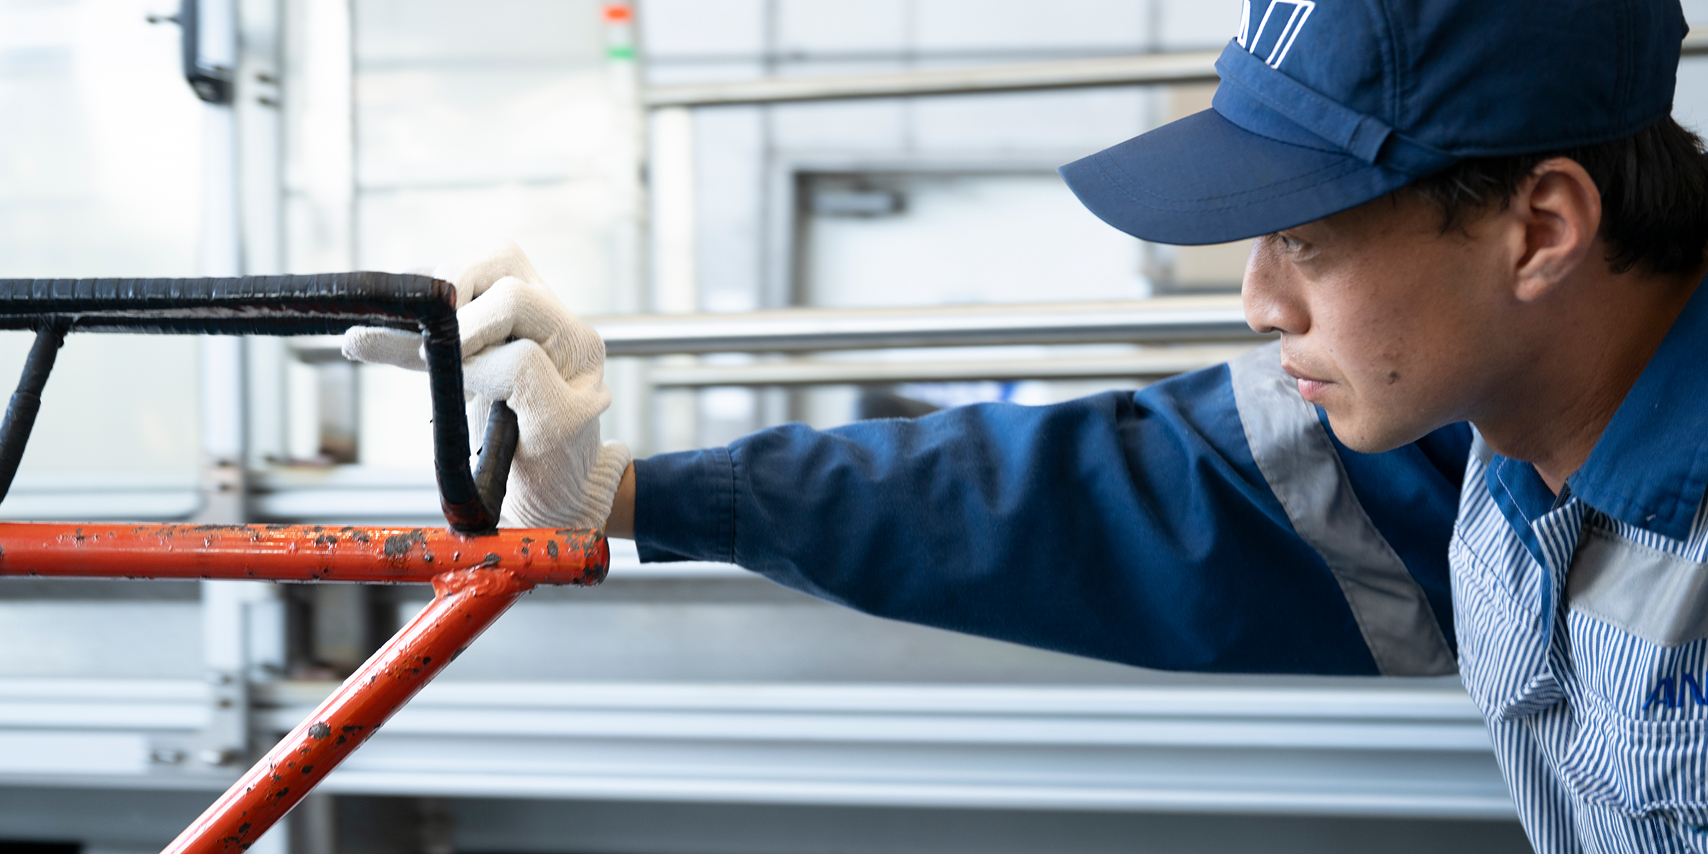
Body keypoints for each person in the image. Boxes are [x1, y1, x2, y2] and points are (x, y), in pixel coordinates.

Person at [344, 1, 1708, 850]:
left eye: (1303, 235)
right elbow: (1098, 493)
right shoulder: (1483, 450)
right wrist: (625, 491)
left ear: (1540, 228)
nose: (1256, 299)